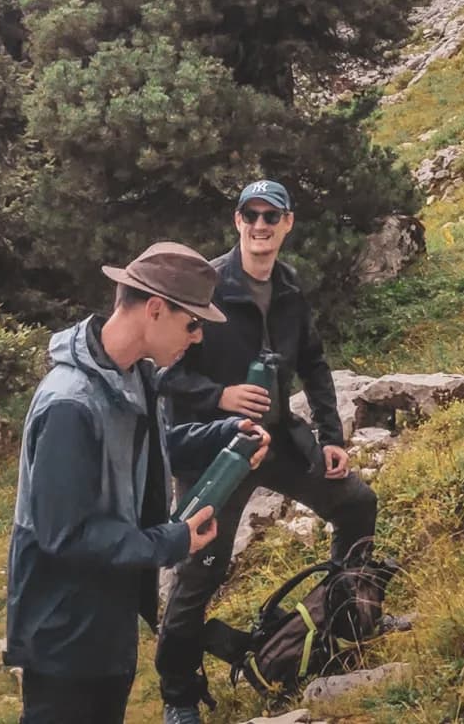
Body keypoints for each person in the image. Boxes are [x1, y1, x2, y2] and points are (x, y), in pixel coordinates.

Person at [5, 242, 270, 724]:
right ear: (154, 309)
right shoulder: (69, 405)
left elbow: (153, 448)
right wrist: (174, 541)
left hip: (109, 614)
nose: (196, 339)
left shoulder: (132, 376)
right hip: (63, 630)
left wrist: (226, 433)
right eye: (193, 324)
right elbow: (64, 535)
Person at [154, 181, 380, 724]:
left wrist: (330, 438)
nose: (260, 226)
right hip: (217, 452)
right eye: (250, 215)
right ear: (237, 222)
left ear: (287, 224)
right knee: (200, 573)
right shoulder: (205, 286)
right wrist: (220, 397)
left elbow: (315, 363)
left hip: (277, 440)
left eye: (270, 216)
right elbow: (162, 373)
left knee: (356, 504)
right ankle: (179, 697)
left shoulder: (289, 287)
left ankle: (342, 624)